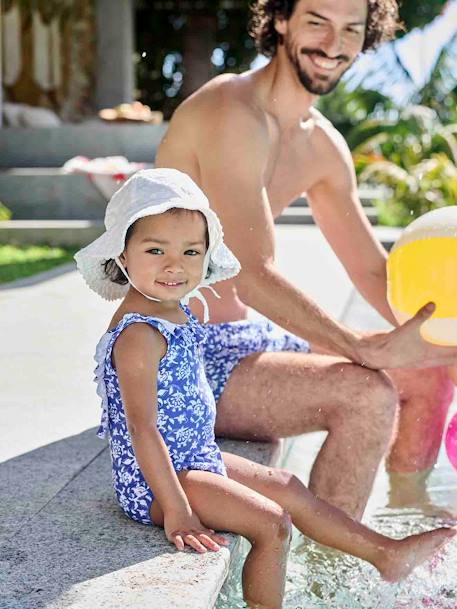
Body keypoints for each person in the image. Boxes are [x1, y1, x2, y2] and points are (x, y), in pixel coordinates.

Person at [75, 168, 455, 609]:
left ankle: (385, 554)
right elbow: (142, 429)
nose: (174, 265)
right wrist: (177, 508)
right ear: (123, 258)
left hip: (194, 457)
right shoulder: (140, 334)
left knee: (287, 485)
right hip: (158, 481)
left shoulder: (170, 312)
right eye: (155, 250)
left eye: (190, 251)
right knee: (272, 523)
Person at [155, 0, 457, 520]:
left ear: (367, 38)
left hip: (245, 341)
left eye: (350, 30)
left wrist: (446, 339)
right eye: (317, 22)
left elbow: (372, 271)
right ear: (279, 20)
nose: (332, 43)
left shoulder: (321, 145)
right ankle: (328, 573)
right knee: (366, 396)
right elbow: (249, 273)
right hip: (173, 355)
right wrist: (360, 346)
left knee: (433, 371)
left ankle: (408, 512)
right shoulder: (232, 112)